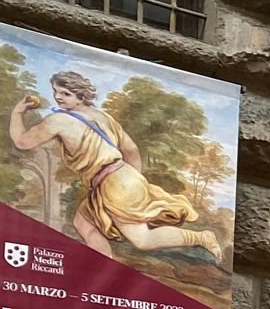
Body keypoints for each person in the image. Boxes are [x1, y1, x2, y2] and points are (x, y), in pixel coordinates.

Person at [8, 71, 224, 262]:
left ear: (80, 96)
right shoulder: (104, 117)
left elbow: (21, 142)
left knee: (142, 240)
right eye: (56, 91)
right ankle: (105, 266)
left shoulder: (59, 120)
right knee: (84, 223)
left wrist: (18, 113)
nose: (57, 96)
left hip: (113, 182)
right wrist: (130, 180)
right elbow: (130, 150)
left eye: (65, 93)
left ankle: (200, 237)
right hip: (119, 178)